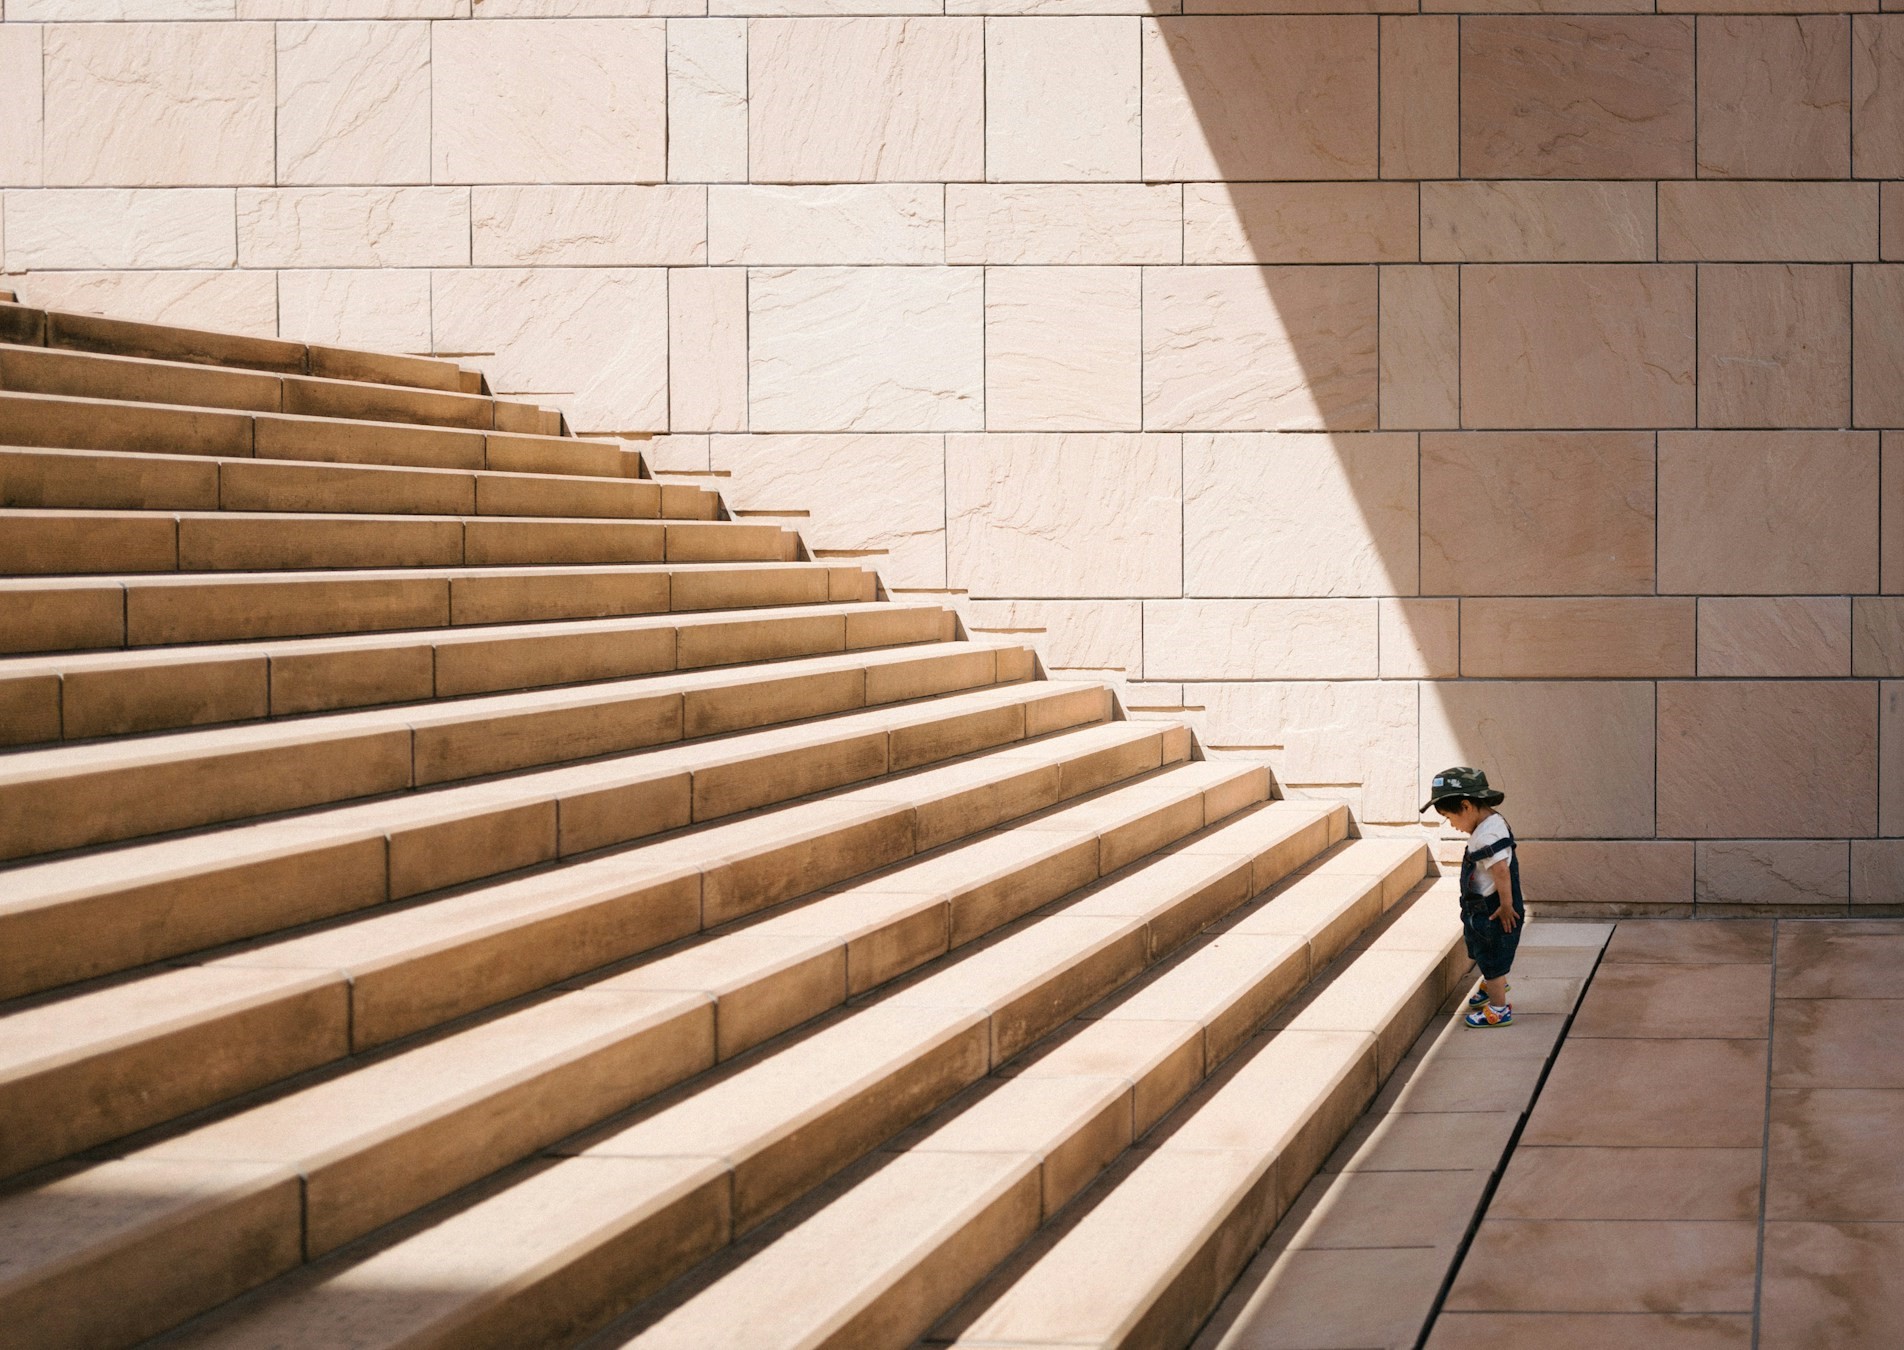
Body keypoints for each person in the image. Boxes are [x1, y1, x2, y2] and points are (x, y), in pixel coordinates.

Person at [1421, 767, 1526, 1028]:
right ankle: (1494, 982)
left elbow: (1501, 871)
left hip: (1492, 909)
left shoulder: (1486, 836)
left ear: (1466, 806)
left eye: (1449, 817)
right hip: (1486, 906)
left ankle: (1499, 1008)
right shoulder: (1492, 822)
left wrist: (1505, 905)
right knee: (1487, 950)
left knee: (1491, 954)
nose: (1452, 825)